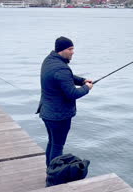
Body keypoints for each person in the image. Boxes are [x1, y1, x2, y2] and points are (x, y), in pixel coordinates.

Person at [36, 36, 93, 167]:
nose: (73, 52)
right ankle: (54, 177)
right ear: (62, 50)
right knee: (57, 147)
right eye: (70, 49)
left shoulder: (50, 60)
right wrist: (87, 88)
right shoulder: (61, 68)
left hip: (47, 112)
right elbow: (72, 93)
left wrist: (82, 80)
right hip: (58, 116)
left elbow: (67, 77)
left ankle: (49, 170)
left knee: (52, 143)